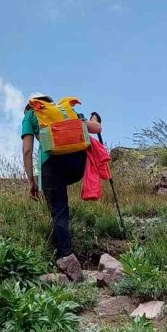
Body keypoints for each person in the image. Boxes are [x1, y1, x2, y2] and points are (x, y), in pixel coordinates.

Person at [21, 93, 102, 259]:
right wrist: (94, 117)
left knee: (58, 211)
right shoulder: (65, 111)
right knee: (59, 200)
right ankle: (65, 250)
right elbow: (96, 129)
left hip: (52, 164)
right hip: (78, 164)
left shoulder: (31, 114)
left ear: (32, 104)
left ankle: (66, 257)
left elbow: (27, 150)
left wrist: (32, 181)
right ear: (50, 103)